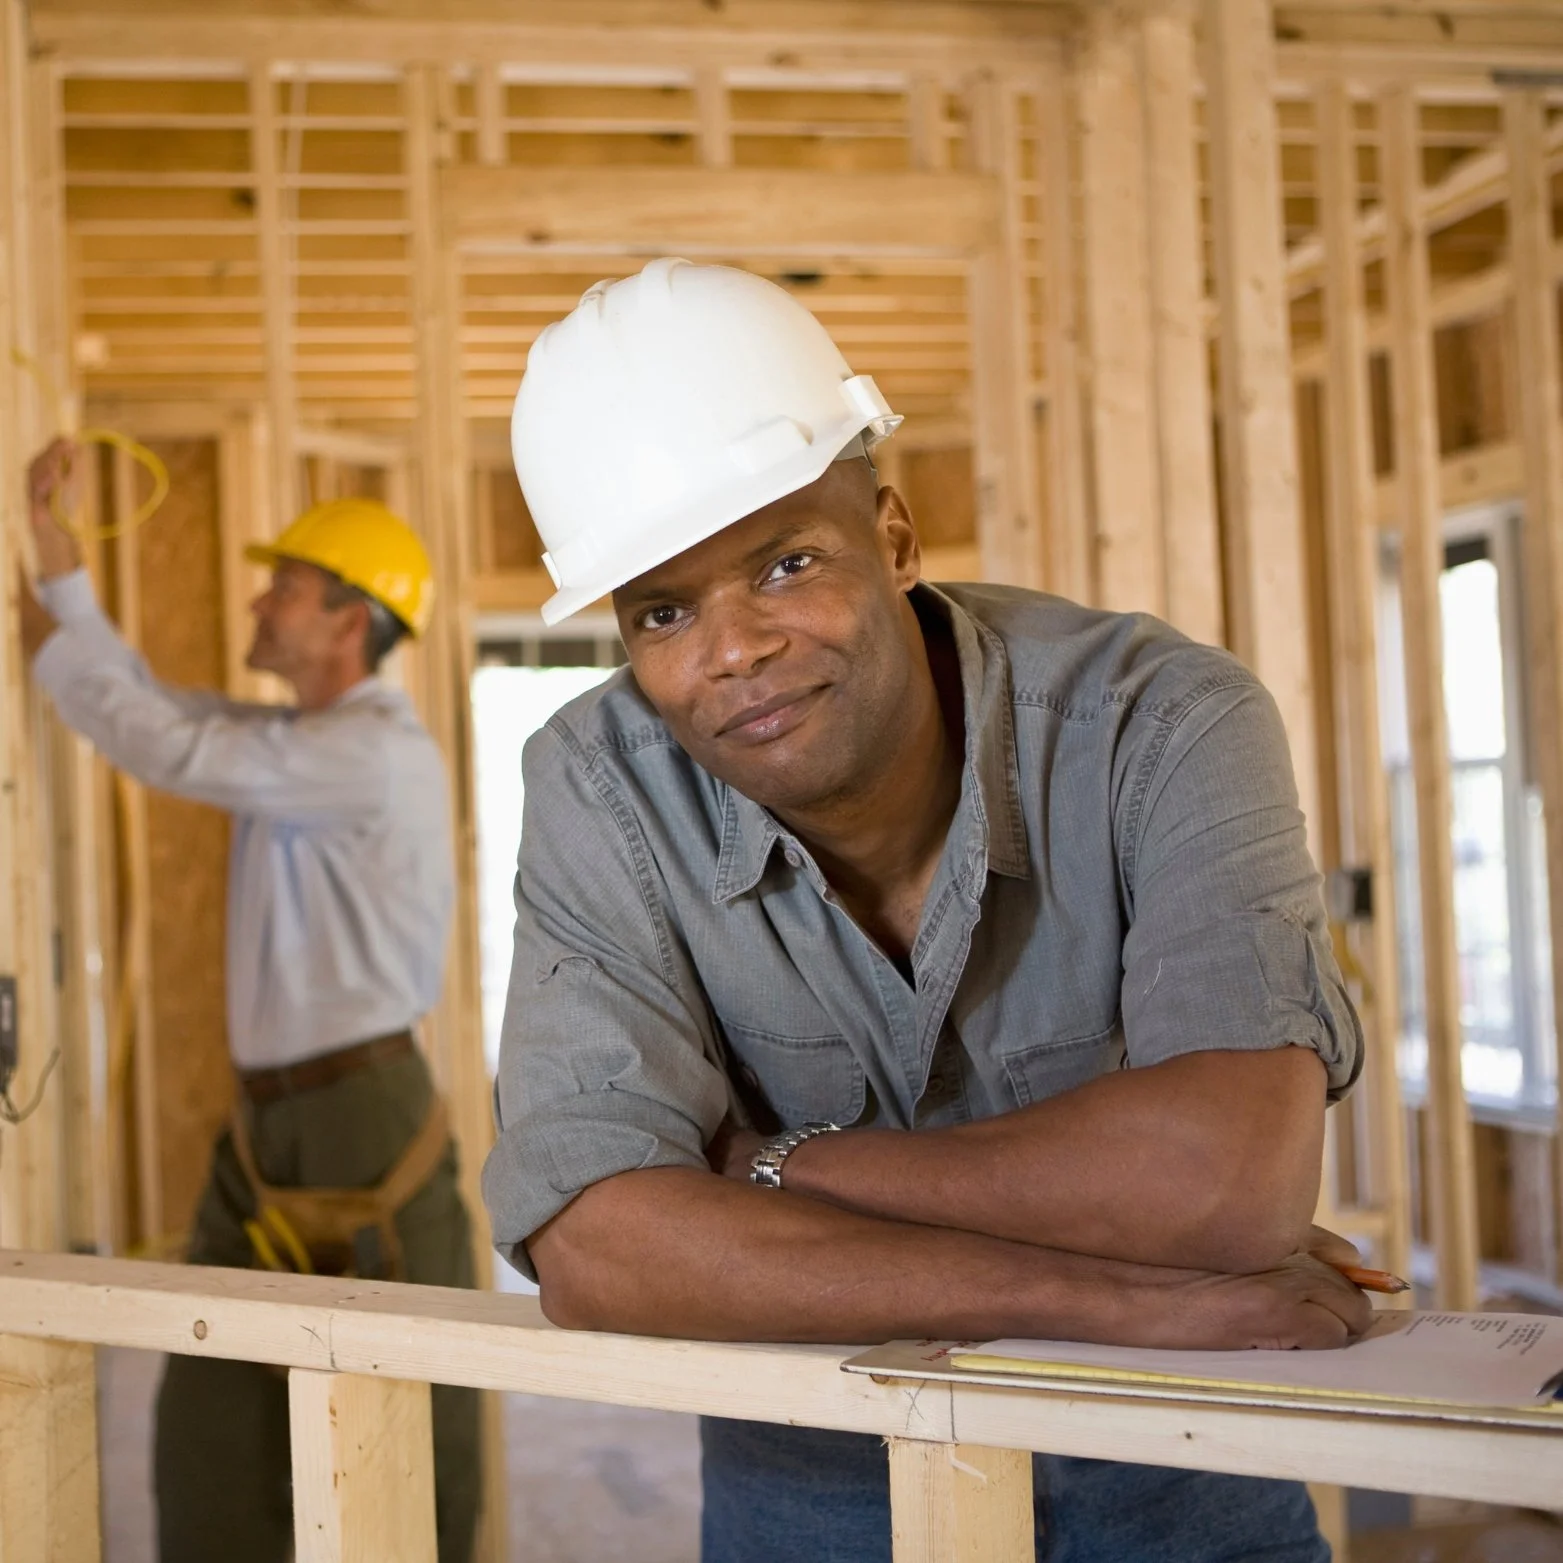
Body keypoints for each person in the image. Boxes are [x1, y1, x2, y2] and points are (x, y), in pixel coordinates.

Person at [482, 258, 1373, 1562]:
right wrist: (1104, 1292)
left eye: (784, 563)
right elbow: (599, 1249)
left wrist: (766, 1166)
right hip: (814, 1499)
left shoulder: (1156, 720)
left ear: (893, 539)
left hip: (1181, 1484)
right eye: (662, 609)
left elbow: (1226, 1185)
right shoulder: (598, 785)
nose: (730, 649)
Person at [18, 439, 480, 1563]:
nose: (261, 598)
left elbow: (164, 741)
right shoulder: (305, 738)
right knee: (210, 1429)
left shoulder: (371, 755)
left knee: (398, 1437)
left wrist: (46, 644)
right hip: (274, 1119)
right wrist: (60, 574)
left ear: (346, 620)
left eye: (287, 584)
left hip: (360, 1119)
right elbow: (162, 706)